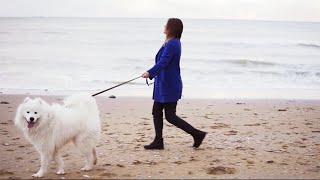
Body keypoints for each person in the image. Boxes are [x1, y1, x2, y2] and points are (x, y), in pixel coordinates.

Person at [142, 18, 207, 150]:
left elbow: (163, 62)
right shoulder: (170, 42)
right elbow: (163, 62)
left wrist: (150, 72)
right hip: (163, 84)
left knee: (170, 116)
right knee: (156, 111)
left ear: (171, 28)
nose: (164, 26)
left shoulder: (173, 44)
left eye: (167, 24)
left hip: (169, 85)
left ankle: (197, 134)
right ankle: (158, 141)